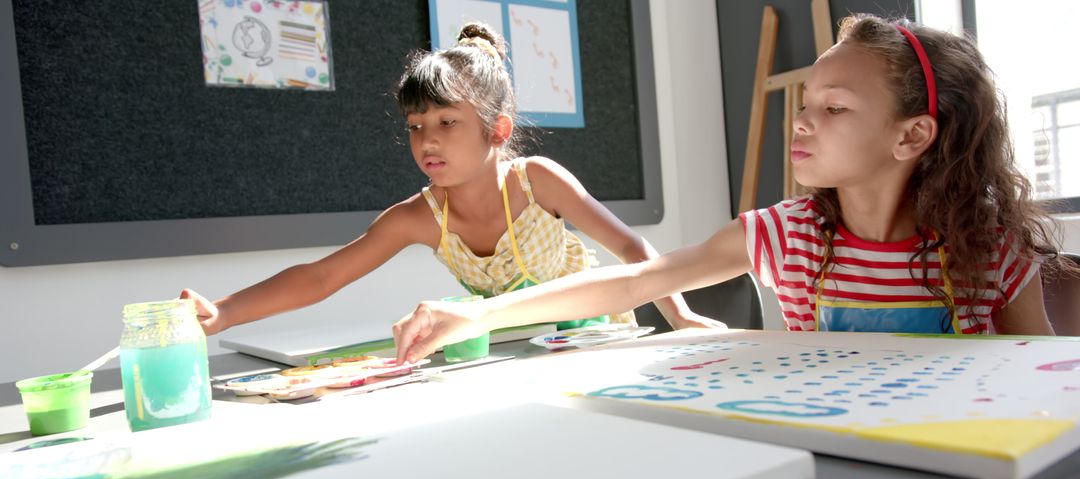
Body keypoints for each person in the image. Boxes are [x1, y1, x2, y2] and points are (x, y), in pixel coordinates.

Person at [393, 15, 1075, 479]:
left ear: (913, 135)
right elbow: (634, 279)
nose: (802, 121)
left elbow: (1044, 391)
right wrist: (476, 311)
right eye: (805, 104)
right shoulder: (789, 235)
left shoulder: (985, 250)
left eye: (834, 108)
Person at [179, 22, 720, 337]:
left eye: (446, 123)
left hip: (596, 340)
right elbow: (322, 278)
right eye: (415, 126)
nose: (427, 140)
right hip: (517, 351)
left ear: (496, 129)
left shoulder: (538, 182)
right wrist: (223, 313)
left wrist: (681, 316)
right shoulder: (419, 217)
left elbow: (630, 246)